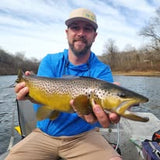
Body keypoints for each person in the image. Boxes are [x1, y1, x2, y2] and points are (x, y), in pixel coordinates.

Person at [6, 8, 122, 160]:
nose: (81, 33)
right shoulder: (50, 61)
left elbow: (105, 110)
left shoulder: (102, 70)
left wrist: (111, 112)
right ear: (67, 32)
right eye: (75, 27)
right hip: (44, 135)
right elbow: (44, 108)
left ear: (95, 36)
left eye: (87, 29)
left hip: (84, 136)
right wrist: (30, 94)